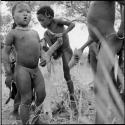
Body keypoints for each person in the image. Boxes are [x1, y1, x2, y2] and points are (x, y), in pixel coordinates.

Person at [73, 1, 125, 123]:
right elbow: (96, 28)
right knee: (111, 85)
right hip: (100, 42)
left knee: (100, 85)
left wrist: (122, 27)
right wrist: (82, 48)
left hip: (111, 39)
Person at [3, 2, 46, 124]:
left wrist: (44, 57)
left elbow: (40, 49)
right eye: (21, 11)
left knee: (42, 94)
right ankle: (26, 122)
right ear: (13, 16)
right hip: (22, 69)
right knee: (26, 99)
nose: (25, 14)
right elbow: (5, 53)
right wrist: (8, 72)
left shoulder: (35, 32)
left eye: (27, 11)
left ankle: (36, 119)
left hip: (36, 69)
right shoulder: (13, 33)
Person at [36, 6, 77, 114]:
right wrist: (47, 52)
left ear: (49, 16)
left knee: (66, 73)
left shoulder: (57, 21)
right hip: (57, 53)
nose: (41, 23)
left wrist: (63, 33)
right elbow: (52, 47)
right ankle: (59, 100)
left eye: (42, 20)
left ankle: (73, 101)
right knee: (43, 42)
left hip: (66, 50)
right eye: (39, 21)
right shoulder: (46, 33)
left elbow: (72, 25)